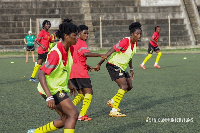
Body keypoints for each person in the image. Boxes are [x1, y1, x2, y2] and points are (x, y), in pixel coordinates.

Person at [27, 19, 79, 133]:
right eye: (75, 35)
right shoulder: (56, 53)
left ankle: (36, 132)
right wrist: (49, 96)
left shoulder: (71, 48)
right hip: (51, 89)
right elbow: (41, 74)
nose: (77, 38)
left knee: (65, 119)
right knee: (73, 114)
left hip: (57, 88)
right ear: (66, 36)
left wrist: (70, 84)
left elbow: (64, 69)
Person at [95, 22, 142, 117]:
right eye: (137, 34)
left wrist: (131, 69)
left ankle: (112, 101)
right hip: (113, 65)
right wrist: (99, 63)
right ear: (132, 34)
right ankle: (114, 110)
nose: (139, 35)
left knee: (129, 87)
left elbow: (129, 57)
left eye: (140, 34)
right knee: (123, 86)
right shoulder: (125, 41)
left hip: (122, 67)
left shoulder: (135, 43)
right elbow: (111, 50)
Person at [70, 25, 106, 121]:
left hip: (72, 72)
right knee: (89, 92)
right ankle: (82, 114)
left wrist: (87, 65)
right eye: (84, 33)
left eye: (87, 33)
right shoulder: (81, 43)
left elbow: (76, 58)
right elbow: (85, 53)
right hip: (80, 72)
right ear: (79, 34)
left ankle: (68, 110)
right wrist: (100, 54)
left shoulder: (73, 43)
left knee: (81, 93)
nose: (87, 35)